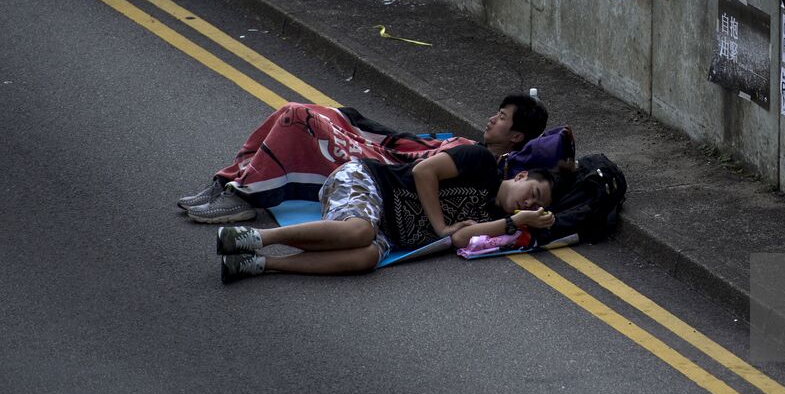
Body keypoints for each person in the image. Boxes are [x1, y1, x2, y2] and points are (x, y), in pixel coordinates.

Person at [216, 141, 566, 283]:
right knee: (360, 231)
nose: (530, 204)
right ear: (520, 176)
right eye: (532, 193)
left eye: (537, 206)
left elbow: (459, 240)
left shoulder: (497, 216)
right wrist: (441, 224)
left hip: (392, 235)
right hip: (369, 183)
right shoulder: (482, 162)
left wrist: (513, 222)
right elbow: (423, 172)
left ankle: (261, 264)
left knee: (366, 256)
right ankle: (258, 238)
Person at [180, 95, 549, 223]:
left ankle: (244, 195)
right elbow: (415, 144)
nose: (492, 118)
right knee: (294, 111)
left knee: (297, 117)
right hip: (385, 149)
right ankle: (227, 180)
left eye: (501, 117)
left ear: (516, 136)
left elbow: (421, 169)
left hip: (382, 170)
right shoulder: (473, 148)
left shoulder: (491, 167)